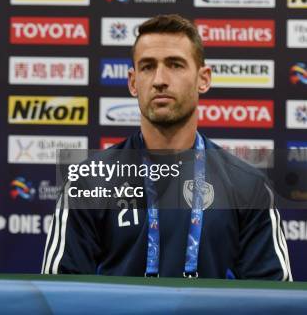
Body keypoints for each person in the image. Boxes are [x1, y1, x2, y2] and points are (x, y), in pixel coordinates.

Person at [42, 14, 291, 280]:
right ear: (133, 82)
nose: (160, 79)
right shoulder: (88, 181)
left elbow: (271, 297)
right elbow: (59, 295)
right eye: (148, 67)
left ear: (203, 79)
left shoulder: (247, 185)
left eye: (175, 65)